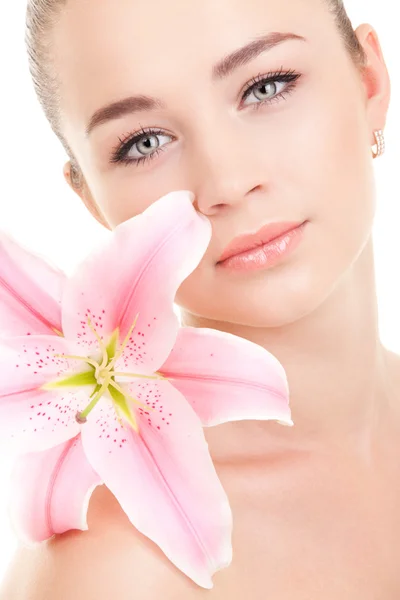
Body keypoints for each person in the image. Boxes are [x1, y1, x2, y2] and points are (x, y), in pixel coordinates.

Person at [0, 0, 397, 597]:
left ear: (369, 80)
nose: (228, 182)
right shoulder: (118, 570)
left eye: (266, 86)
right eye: (144, 142)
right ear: (91, 201)